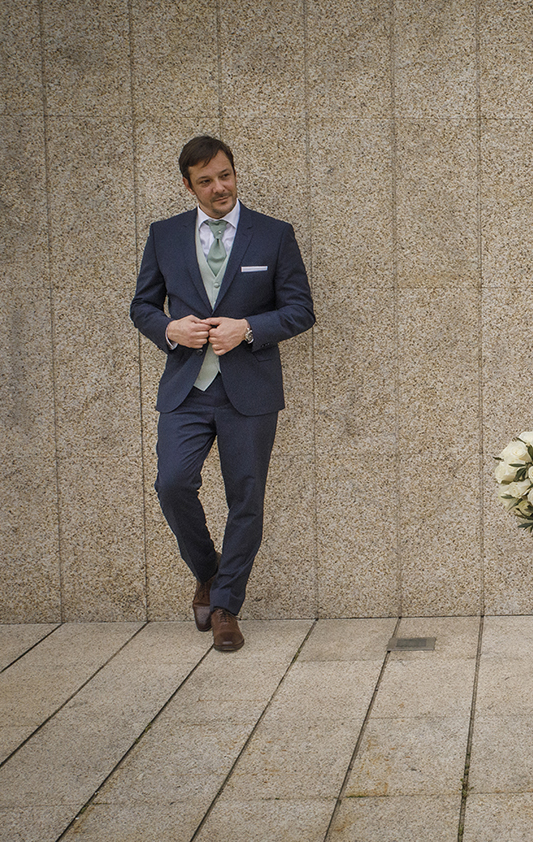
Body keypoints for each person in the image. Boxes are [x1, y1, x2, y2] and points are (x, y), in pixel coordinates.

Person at [131, 136, 315, 652]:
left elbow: (301, 309)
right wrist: (170, 329)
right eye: (207, 180)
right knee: (172, 484)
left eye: (226, 175)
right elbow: (142, 305)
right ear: (187, 185)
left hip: (249, 392)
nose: (220, 188)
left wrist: (248, 328)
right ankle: (210, 573)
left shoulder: (274, 235)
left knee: (245, 500)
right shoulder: (164, 235)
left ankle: (226, 606)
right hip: (187, 386)